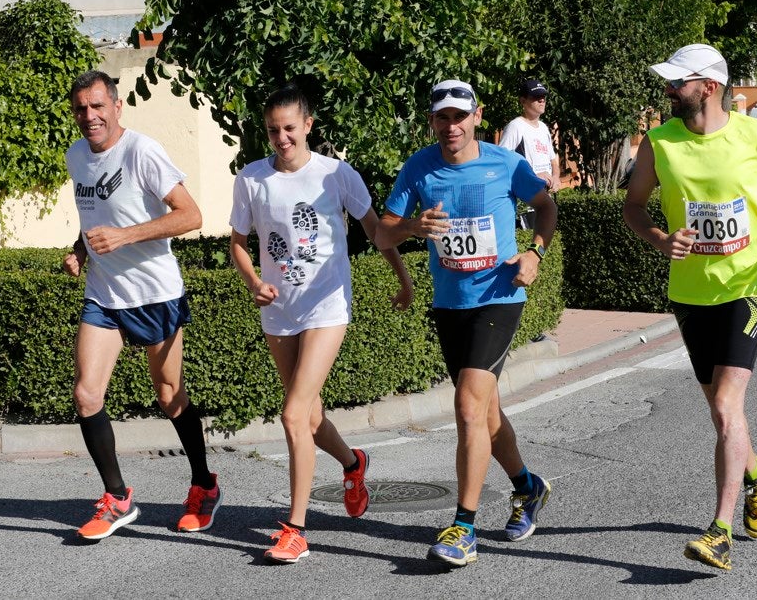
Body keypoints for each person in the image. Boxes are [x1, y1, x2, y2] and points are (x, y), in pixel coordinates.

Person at [622, 44, 757, 571]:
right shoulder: (659, 143)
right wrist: (660, 239)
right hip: (690, 292)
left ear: (709, 86)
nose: (667, 90)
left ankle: (719, 530)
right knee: (722, 412)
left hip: (746, 284)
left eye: (678, 82)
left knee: (727, 407)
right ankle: (756, 475)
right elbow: (633, 207)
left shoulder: (754, 135)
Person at [376, 79, 558, 567]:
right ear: (432, 120)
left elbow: (545, 206)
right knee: (486, 412)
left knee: (467, 407)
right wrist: (413, 226)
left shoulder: (506, 163)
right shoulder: (419, 167)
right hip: (450, 302)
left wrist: (536, 254)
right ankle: (527, 488)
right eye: (442, 117)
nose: (451, 126)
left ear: (477, 116)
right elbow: (381, 232)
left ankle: (463, 527)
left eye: (460, 116)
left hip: (500, 295)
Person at [229, 83, 414, 564]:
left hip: (326, 307)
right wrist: (253, 282)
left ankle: (295, 528)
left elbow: (377, 232)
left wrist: (404, 279)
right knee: (309, 417)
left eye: (290, 128)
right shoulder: (251, 179)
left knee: (292, 415)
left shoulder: (336, 175)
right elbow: (238, 243)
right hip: (278, 309)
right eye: (273, 130)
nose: (282, 138)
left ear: (308, 125)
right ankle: (354, 463)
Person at [62, 70, 219, 540]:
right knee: (87, 395)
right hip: (104, 296)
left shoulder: (141, 151)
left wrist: (125, 237)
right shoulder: (76, 156)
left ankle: (204, 484)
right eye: (81, 109)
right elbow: (96, 218)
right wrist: (79, 249)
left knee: (170, 397)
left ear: (116, 106)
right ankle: (117, 497)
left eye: (97, 106)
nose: (89, 116)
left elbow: (191, 215)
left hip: (155, 294)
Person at [498, 78, 561, 192]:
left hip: (544, 196)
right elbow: (501, 163)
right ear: (523, 101)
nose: (541, 100)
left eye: (543, 96)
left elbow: (553, 161)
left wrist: (556, 177)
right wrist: (533, 176)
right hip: (524, 200)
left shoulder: (544, 128)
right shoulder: (515, 127)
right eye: (536, 96)